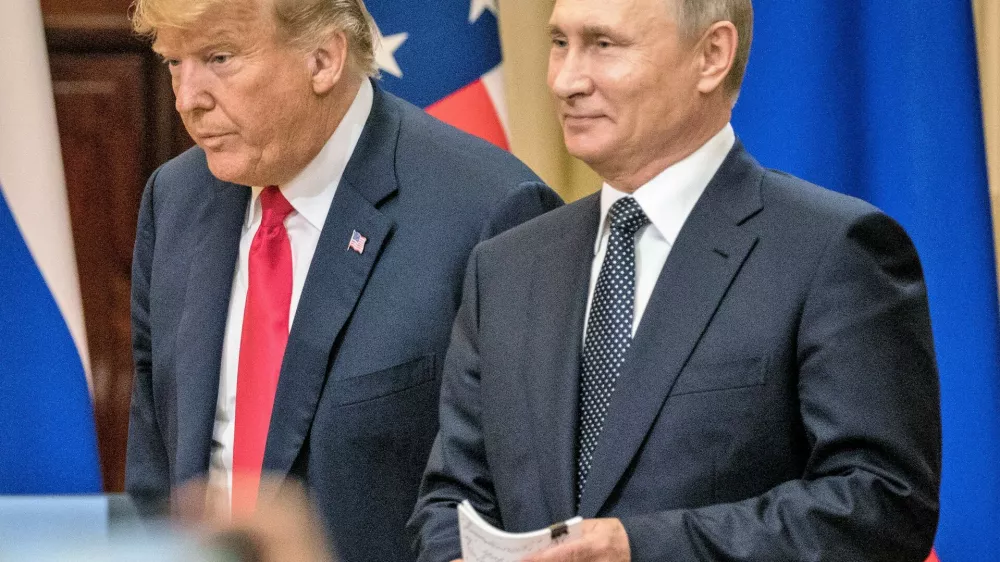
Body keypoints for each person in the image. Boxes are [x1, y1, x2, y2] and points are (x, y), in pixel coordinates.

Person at [407, 0, 941, 560]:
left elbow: (881, 504)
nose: (565, 80)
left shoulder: (834, 251)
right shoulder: (505, 266)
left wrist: (641, 548)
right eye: (559, 43)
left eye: (604, 45)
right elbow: (451, 503)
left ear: (711, 55)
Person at [123, 0, 562, 560]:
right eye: (173, 62)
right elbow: (154, 474)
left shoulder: (490, 213)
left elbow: (514, 508)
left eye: (219, 57)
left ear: (324, 59)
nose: (189, 99)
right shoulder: (175, 200)